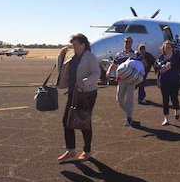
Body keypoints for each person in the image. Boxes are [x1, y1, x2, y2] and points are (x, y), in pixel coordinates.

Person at [57, 33, 101, 162]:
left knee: (83, 121)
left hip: (87, 93)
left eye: (75, 44)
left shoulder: (90, 57)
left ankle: (87, 151)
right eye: (73, 44)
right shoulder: (73, 58)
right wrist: (61, 55)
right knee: (67, 121)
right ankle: (70, 150)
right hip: (74, 93)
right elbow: (62, 71)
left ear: (83, 44)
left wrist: (84, 82)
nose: (73, 47)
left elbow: (96, 73)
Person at [106, 37, 141, 126]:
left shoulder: (135, 54)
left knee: (129, 99)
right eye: (126, 42)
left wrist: (139, 73)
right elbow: (114, 64)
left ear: (131, 43)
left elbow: (142, 64)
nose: (127, 43)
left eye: (129, 42)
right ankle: (128, 112)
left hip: (131, 79)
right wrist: (109, 71)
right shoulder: (119, 54)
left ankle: (129, 118)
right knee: (119, 99)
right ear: (123, 43)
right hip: (121, 79)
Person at [156, 40, 180, 126]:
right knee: (165, 100)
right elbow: (155, 65)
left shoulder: (177, 57)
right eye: (165, 48)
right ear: (163, 49)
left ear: (172, 48)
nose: (167, 49)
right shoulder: (161, 57)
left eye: (169, 47)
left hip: (174, 80)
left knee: (174, 98)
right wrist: (161, 67)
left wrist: (171, 65)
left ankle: (177, 109)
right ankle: (166, 118)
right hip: (164, 81)